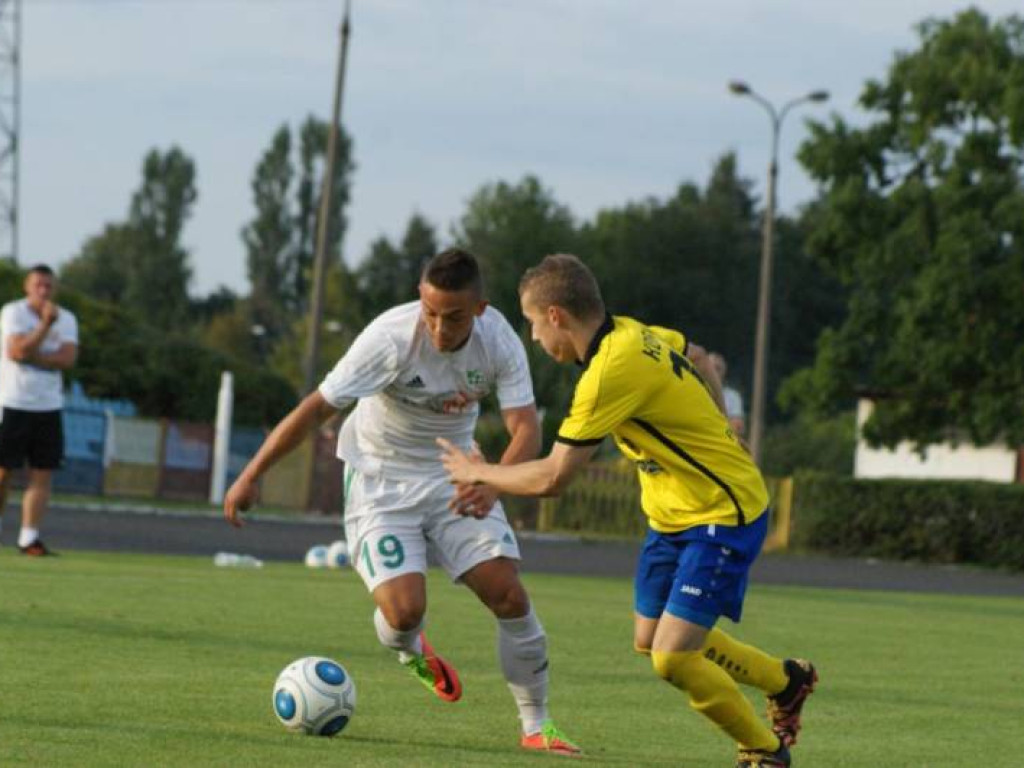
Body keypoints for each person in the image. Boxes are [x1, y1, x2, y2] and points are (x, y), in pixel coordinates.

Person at [440, 254, 816, 768]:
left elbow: (553, 478)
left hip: (721, 514)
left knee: (674, 656)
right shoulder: (634, 331)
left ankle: (763, 751)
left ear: (555, 316)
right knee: (650, 638)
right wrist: (727, 423)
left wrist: (479, 471)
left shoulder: (608, 373)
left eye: (531, 323)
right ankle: (785, 680)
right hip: (671, 518)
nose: (533, 338)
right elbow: (702, 356)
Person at [224, 248, 580, 756]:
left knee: (508, 592)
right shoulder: (388, 338)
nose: (439, 328)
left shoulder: (499, 339)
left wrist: (494, 481)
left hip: (455, 474)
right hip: (380, 477)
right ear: (420, 299)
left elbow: (527, 428)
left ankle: (536, 726)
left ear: (479, 309)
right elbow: (316, 409)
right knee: (405, 611)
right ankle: (410, 649)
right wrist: (252, 473)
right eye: (430, 312)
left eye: (453, 317)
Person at [0, 264, 79, 556]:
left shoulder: (67, 318)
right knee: (4, 471)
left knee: (42, 473)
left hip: (49, 405)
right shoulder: (13, 312)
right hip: (13, 401)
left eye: (48, 286)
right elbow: (16, 352)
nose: (43, 291)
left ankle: (29, 538)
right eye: (38, 285)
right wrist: (44, 327)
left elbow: (68, 358)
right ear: (27, 286)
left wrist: (35, 355)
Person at [710, 352, 746, 439]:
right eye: (711, 368)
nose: (714, 372)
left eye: (718, 368)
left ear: (724, 372)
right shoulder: (694, 391)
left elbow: (738, 427)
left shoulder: (733, 396)